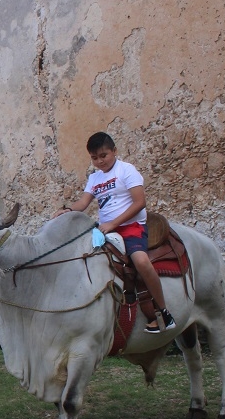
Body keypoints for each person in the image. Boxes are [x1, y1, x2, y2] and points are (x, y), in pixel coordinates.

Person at [54, 131, 176, 333]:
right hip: (105, 231)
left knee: (141, 261)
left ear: (114, 151)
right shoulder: (94, 178)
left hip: (131, 227)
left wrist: (113, 223)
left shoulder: (126, 170)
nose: (100, 161)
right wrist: (66, 210)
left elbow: (140, 202)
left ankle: (163, 311)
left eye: (104, 156)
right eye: (94, 158)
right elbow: (83, 203)